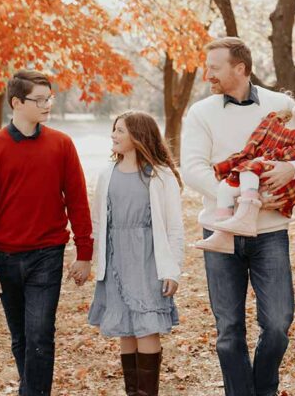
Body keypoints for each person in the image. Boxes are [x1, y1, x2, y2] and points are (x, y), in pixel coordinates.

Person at [180, 37, 295, 396]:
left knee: (278, 323)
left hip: (271, 233)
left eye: (215, 67)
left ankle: (264, 389)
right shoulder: (201, 112)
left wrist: (292, 170)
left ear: (240, 68)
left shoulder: (281, 104)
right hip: (220, 227)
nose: (207, 74)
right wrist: (244, 197)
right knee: (229, 331)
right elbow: (193, 169)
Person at [0, 69, 92, 396]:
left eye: (49, 97)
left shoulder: (62, 145)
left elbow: (77, 200)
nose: (47, 104)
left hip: (47, 255)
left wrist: (85, 252)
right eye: (39, 99)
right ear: (17, 103)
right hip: (5, 257)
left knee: (39, 336)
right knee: (21, 338)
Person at [89, 111, 185, 396]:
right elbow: (98, 222)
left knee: (146, 327)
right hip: (117, 261)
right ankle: (133, 392)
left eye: (120, 131)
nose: (114, 136)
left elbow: (174, 228)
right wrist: (95, 262)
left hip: (148, 261)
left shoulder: (159, 176)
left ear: (138, 136)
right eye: (114, 129)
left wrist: (173, 269)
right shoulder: (107, 175)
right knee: (126, 329)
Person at [196, 98, 295, 252]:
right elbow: (254, 142)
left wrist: (264, 159)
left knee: (249, 169)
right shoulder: (274, 119)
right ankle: (222, 235)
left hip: (277, 175)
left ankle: (246, 218)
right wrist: (247, 158)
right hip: (257, 167)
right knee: (225, 187)